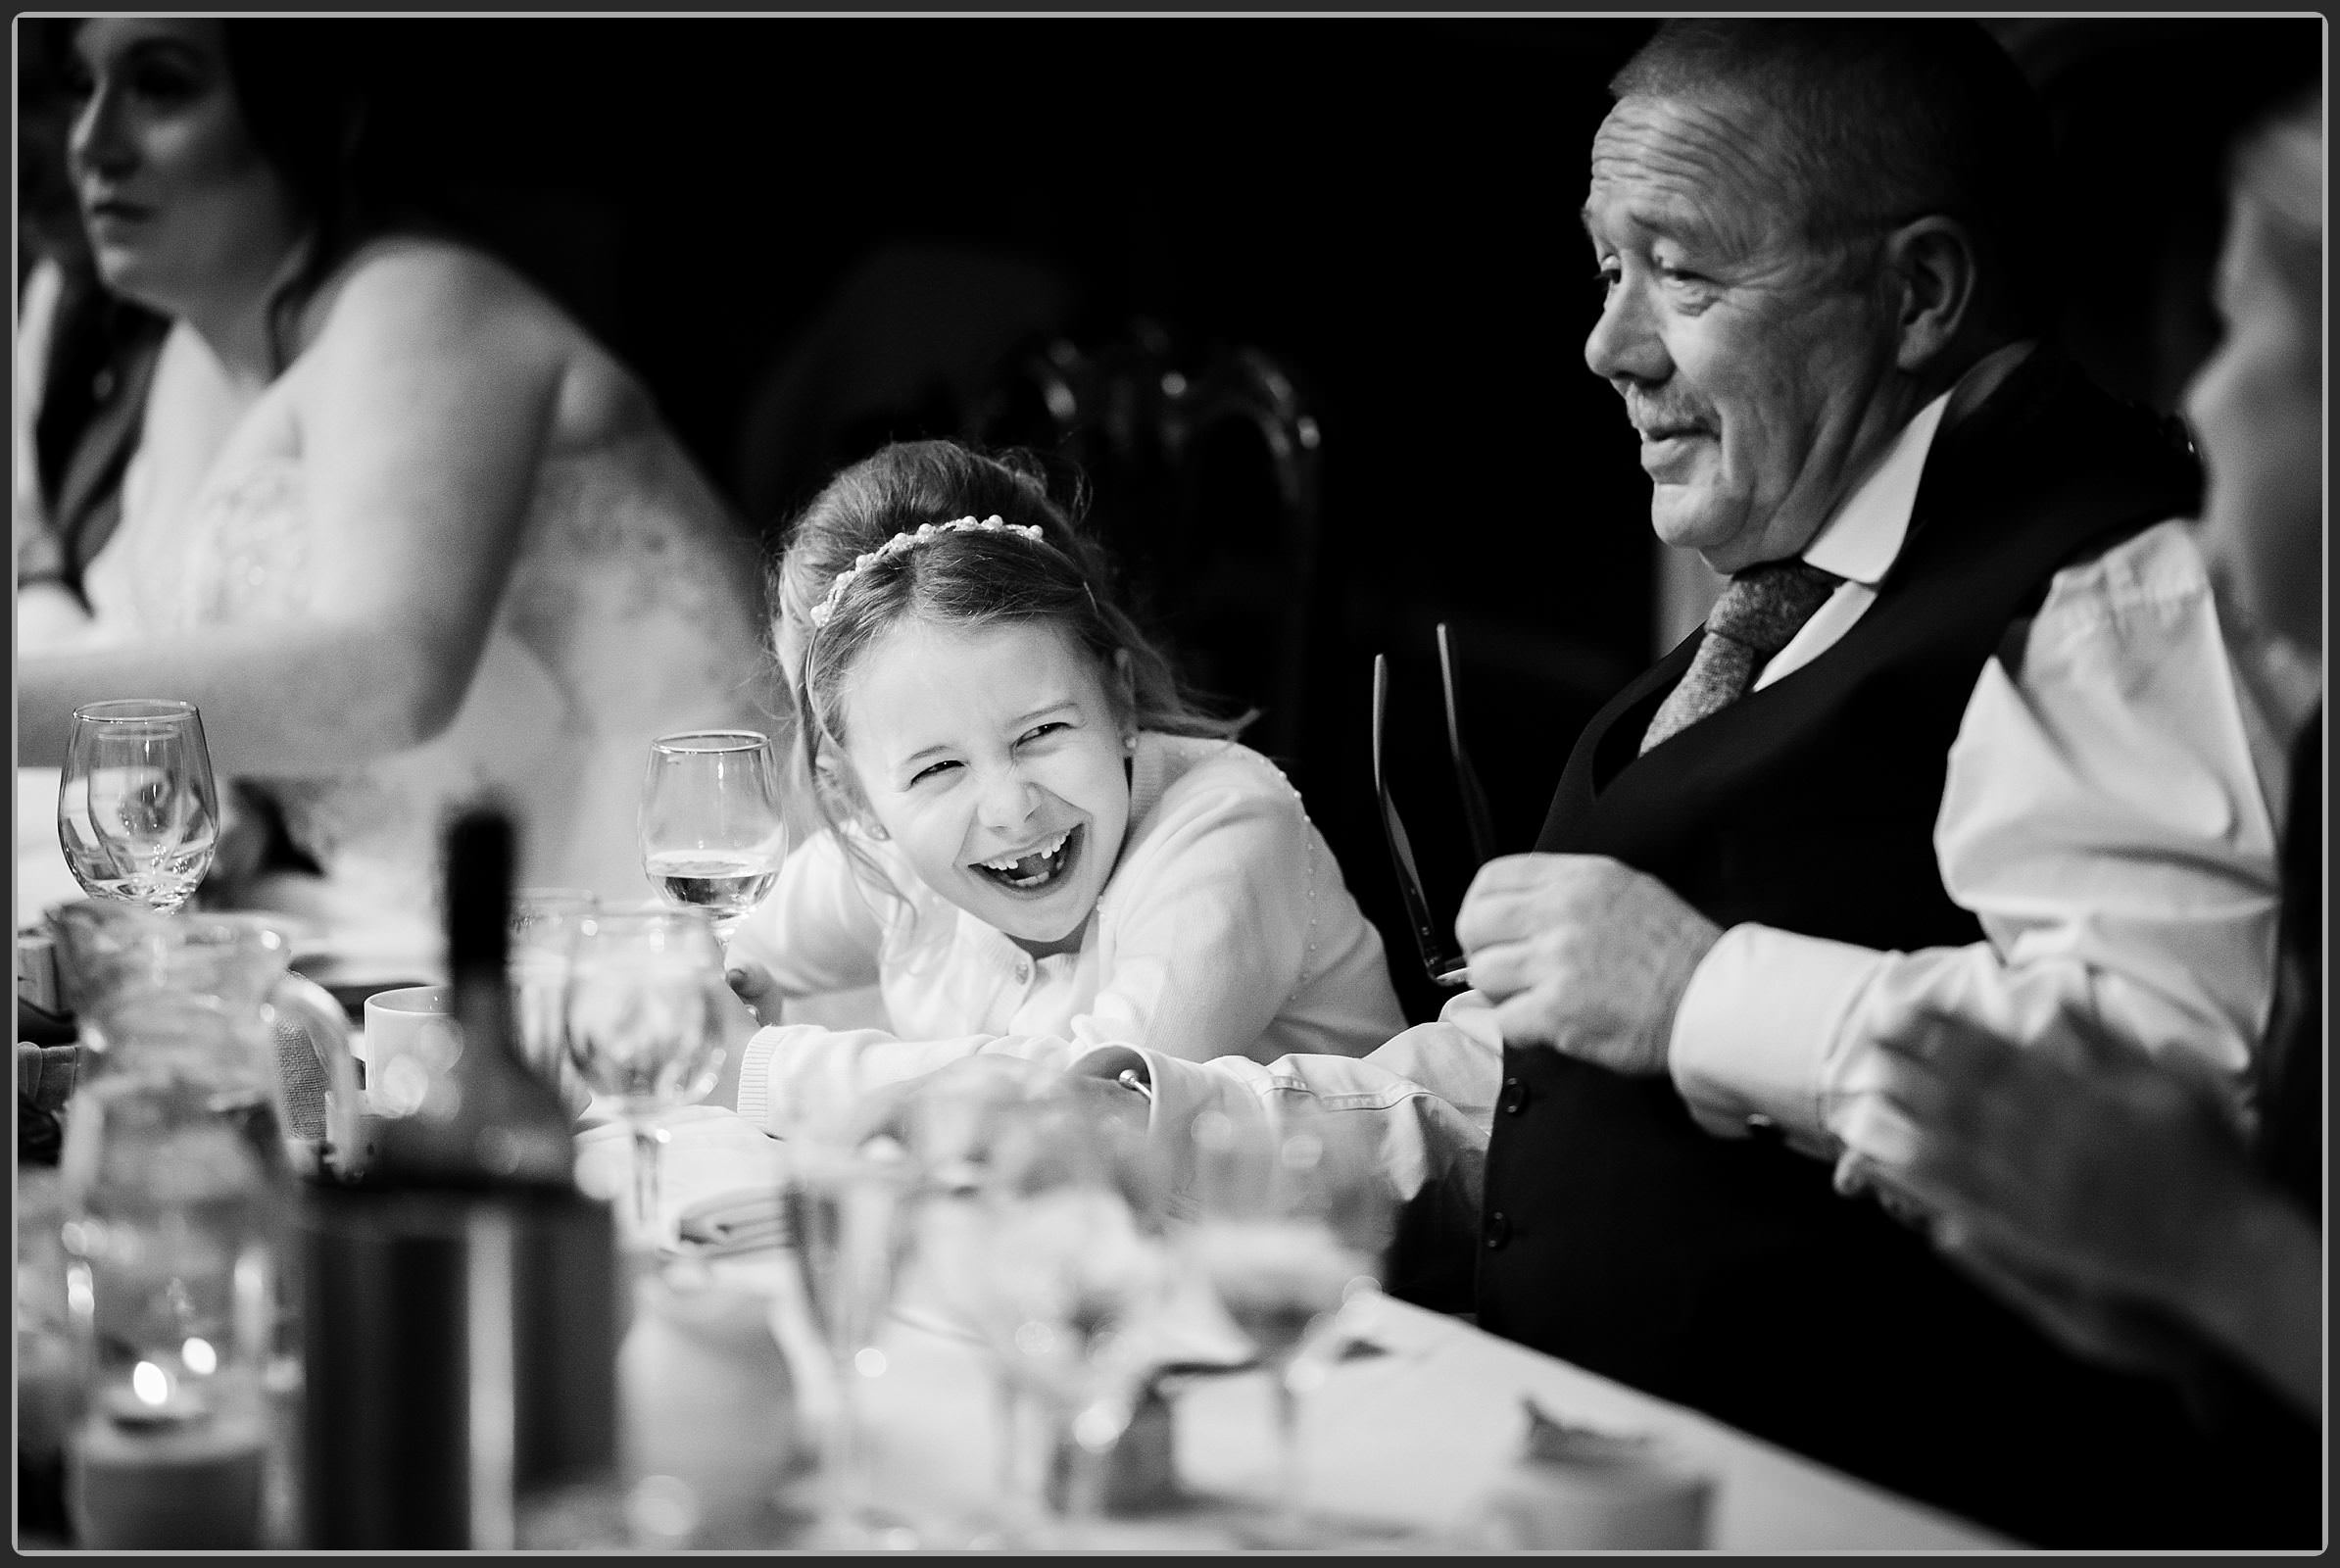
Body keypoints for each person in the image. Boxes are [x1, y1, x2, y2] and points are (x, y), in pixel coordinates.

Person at [1453, 20, 2288, 1546]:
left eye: (1683, 273)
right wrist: (1250, 1118)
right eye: (1605, 269)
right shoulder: (1801, 594)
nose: (1610, 347)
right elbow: (1561, 1080)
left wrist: (1703, 996)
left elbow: (2157, 1101)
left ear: (1920, 294)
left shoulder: (2117, 588)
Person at [15, 19, 777, 963]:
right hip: (407, 946)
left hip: (674, 939)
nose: (92, 140)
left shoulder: (425, 304)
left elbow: (386, 676)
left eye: (159, 87)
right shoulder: (190, 372)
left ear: (313, 115)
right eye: (81, 87)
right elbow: (218, 691)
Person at [1832, 89, 2323, 1542]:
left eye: (2243, 331)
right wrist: (2177, 1300)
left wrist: (2223, 1253)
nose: (2201, 401)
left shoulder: (2126, 604)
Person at [721, 439, 1407, 1128]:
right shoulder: (888, 862)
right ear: (855, 797)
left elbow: (1087, 1103)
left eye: (1041, 733)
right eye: (937, 769)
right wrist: (711, 999)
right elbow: (719, 951)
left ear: (1118, 696)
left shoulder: (1230, 826)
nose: (1011, 808)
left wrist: (761, 1070)